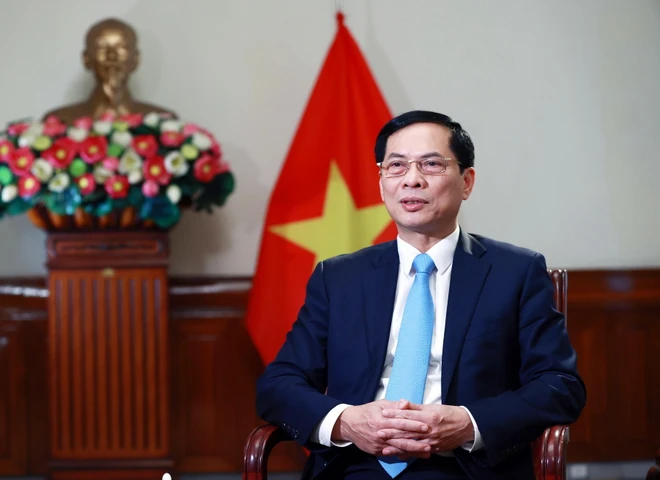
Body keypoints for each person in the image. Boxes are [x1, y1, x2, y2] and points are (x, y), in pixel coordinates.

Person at [255, 110, 586, 479]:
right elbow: (278, 384)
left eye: (431, 164)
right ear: (382, 183)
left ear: (467, 182)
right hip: (355, 465)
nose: (411, 180)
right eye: (396, 166)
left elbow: (560, 385)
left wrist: (468, 423)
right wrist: (347, 422)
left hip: (465, 466)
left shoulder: (515, 272)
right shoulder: (339, 277)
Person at [44, 18, 174, 122]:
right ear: (86, 59)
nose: (112, 57)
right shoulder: (60, 121)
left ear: (136, 59)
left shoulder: (162, 121)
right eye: (101, 48)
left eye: (122, 48)